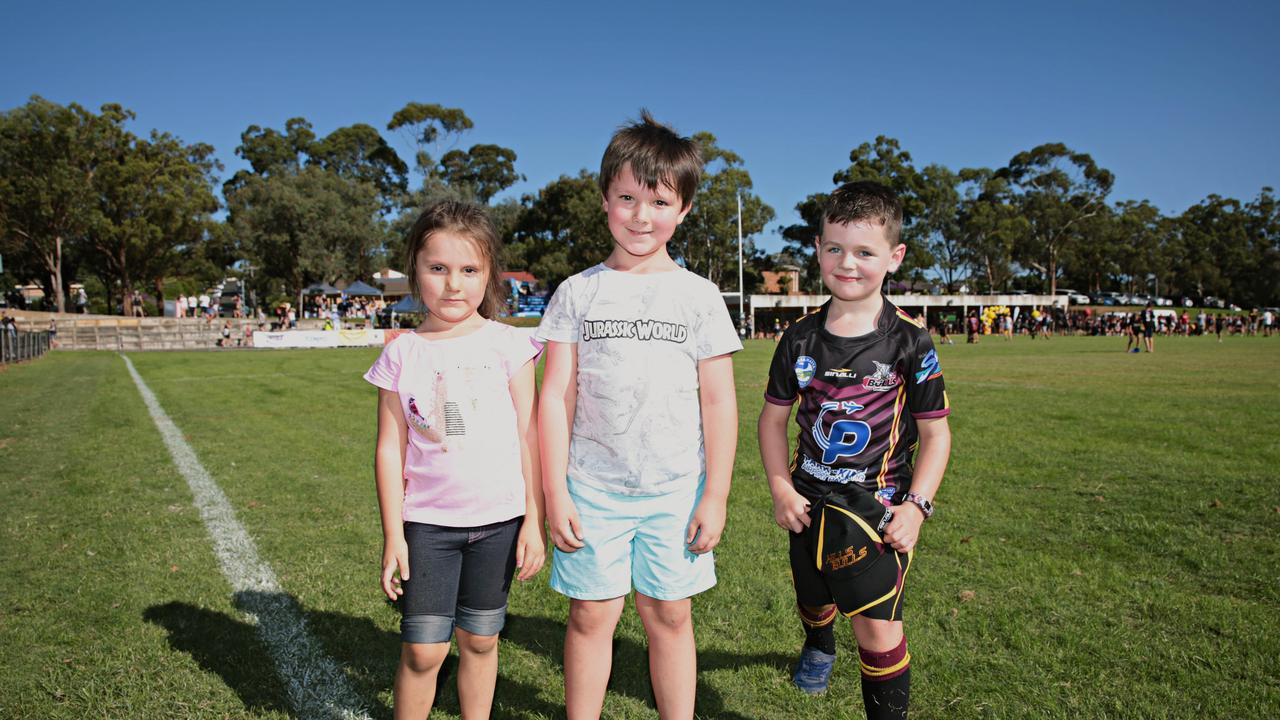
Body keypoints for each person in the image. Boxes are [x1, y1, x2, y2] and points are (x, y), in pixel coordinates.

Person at [536, 111, 741, 720]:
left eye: (658, 201)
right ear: (604, 201)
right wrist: (555, 492)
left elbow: (719, 400)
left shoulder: (700, 296)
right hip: (591, 487)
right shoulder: (577, 291)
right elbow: (556, 397)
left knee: (669, 614)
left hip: (676, 489)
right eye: (627, 197)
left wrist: (717, 496)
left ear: (683, 210)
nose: (640, 215)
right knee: (592, 615)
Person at [757, 181, 951, 718]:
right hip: (807, 502)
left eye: (865, 252)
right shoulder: (796, 338)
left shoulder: (911, 342)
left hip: (877, 508)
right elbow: (772, 422)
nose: (848, 264)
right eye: (835, 248)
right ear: (818, 248)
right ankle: (818, 644)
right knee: (814, 596)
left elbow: (936, 435)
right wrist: (779, 486)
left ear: (894, 257)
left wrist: (917, 506)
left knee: (878, 629)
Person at [365, 200, 546, 719]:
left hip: (498, 523)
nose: (453, 284)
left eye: (469, 270)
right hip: (427, 524)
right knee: (424, 650)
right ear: (414, 270)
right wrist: (393, 534)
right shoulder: (401, 352)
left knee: (481, 642)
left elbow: (529, 435)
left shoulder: (510, 345)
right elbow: (388, 447)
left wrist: (534, 520)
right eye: (438, 268)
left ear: (488, 274)